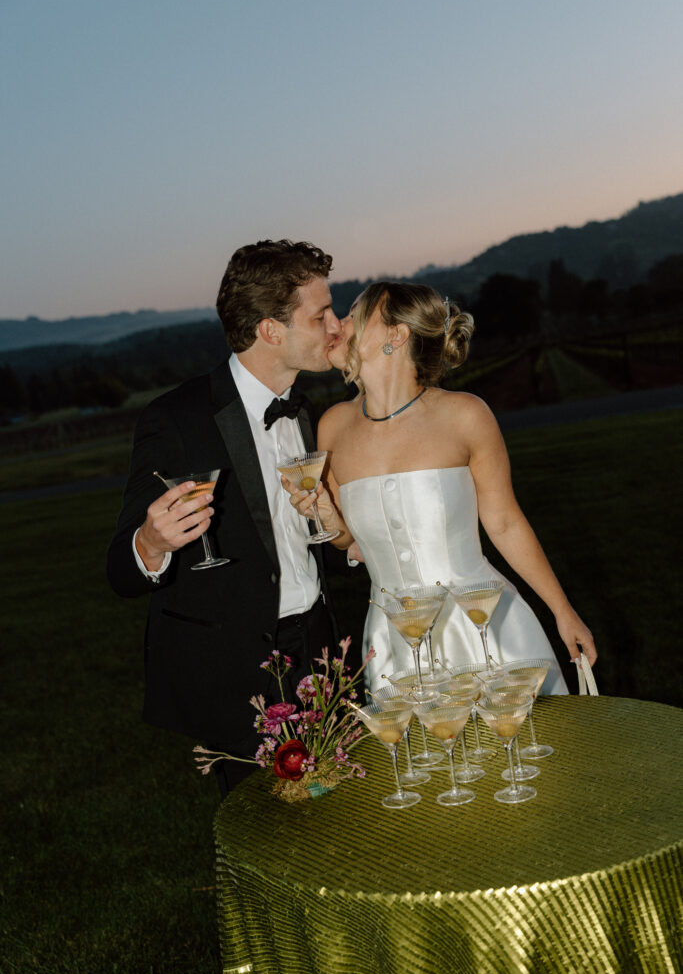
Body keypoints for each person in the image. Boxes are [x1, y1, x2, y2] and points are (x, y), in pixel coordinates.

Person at [106, 239, 343, 795]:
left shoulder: (305, 412)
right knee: (264, 839)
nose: (336, 325)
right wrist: (151, 542)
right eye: (321, 313)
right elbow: (120, 570)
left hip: (320, 649)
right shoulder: (177, 418)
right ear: (270, 330)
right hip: (235, 672)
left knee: (338, 822)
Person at [283, 280, 596, 695]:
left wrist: (562, 610)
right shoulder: (333, 427)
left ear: (396, 335)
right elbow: (346, 541)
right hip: (395, 643)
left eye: (355, 313)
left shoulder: (465, 415)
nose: (338, 323)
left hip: (484, 627)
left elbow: (504, 523)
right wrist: (325, 515)